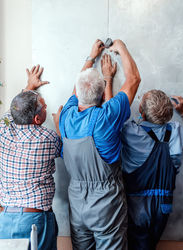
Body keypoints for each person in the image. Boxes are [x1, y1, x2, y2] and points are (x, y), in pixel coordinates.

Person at [52, 39, 141, 250]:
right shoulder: (106, 117)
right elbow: (134, 79)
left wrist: (91, 57)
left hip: (76, 202)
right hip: (106, 204)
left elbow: (77, 89)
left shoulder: (65, 116)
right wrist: (121, 47)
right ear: (103, 95)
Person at [121, 90, 183, 250]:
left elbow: (109, 121)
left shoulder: (130, 131)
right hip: (163, 207)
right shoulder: (176, 130)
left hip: (136, 206)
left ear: (141, 113)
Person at [0, 65, 62, 250]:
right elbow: (65, 148)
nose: (45, 108)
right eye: (44, 107)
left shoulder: (3, 131)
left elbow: (13, 111)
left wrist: (29, 86)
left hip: (6, 219)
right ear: (37, 119)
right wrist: (59, 125)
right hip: (35, 221)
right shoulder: (49, 138)